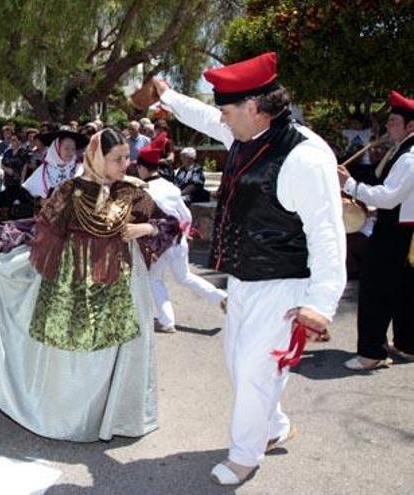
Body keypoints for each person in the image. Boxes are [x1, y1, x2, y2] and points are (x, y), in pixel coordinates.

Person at [154, 51, 346, 485]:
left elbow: (327, 235)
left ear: (254, 108)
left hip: (283, 284)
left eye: (228, 111)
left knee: (254, 370)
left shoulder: (305, 156)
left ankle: (244, 455)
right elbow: (205, 117)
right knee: (240, 366)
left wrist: (321, 305)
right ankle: (274, 426)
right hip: (243, 281)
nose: (221, 120)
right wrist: (170, 97)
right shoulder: (245, 136)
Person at [0, 129, 180, 441]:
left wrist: (143, 227)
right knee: (72, 355)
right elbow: (43, 226)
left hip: (119, 284)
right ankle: (68, 417)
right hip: (72, 284)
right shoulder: (71, 191)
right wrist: (3, 244)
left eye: (127, 157)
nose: (126, 163)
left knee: (112, 354)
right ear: (97, 158)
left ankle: (113, 416)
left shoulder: (132, 192)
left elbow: (171, 225)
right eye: (117, 159)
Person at [338, 91, 414, 370]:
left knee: (375, 289)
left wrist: (349, 185)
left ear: (410, 126)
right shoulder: (403, 152)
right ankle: (407, 344)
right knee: (405, 289)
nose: (388, 127)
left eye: (394, 121)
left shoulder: (408, 158)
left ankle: (371, 353)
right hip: (404, 231)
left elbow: (387, 197)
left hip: (394, 232)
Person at [135, 137, 227, 333]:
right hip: (177, 239)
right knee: (184, 276)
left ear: (142, 167)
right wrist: (186, 235)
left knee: (155, 279)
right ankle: (219, 296)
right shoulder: (171, 187)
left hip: (157, 243)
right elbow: (186, 216)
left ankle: (167, 321)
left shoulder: (142, 190)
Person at [22, 129, 88, 201]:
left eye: (73, 149)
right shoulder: (44, 170)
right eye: (66, 148)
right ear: (57, 149)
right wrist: (40, 200)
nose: (70, 152)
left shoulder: (80, 169)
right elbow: (28, 192)